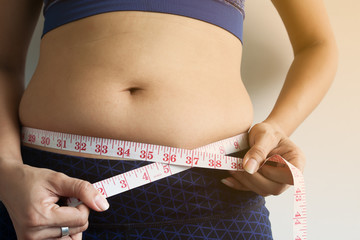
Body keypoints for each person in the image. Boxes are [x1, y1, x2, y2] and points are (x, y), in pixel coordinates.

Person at [0, 0, 337, 239]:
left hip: (212, 195)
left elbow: (317, 44)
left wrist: (277, 128)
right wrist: (7, 172)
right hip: (45, 201)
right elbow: (4, 62)